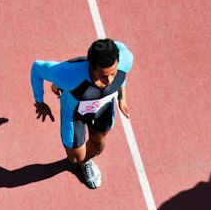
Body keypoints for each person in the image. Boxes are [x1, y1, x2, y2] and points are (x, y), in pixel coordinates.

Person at [30, 38, 134, 189]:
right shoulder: (67, 74)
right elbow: (37, 68)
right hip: (74, 113)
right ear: (91, 67)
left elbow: (121, 75)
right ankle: (81, 161)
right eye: (104, 76)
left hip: (103, 108)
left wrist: (122, 95)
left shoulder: (126, 59)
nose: (110, 80)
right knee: (75, 157)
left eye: (113, 73)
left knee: (98, 144)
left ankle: (86, 162)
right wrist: (40, 102)